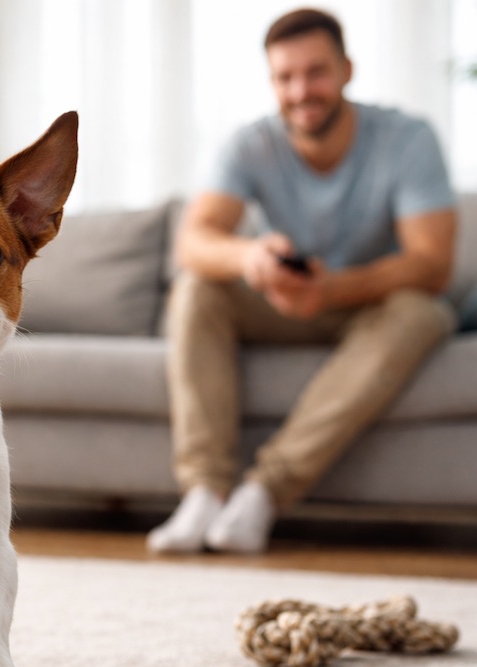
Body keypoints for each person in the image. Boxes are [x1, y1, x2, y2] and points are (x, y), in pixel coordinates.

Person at [148, 8, 458, 554]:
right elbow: (192, 241)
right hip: (280, 302)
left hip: (366, 307)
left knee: (424, 312)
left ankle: (263, 494)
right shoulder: (250, 143)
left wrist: (332, 289)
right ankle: (204, 493)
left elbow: (433, 263)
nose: (300, 91)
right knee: (195, 288)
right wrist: (251, 257)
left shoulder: (408, 138)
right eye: (284, 77)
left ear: (346, 70)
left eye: (316, 73)